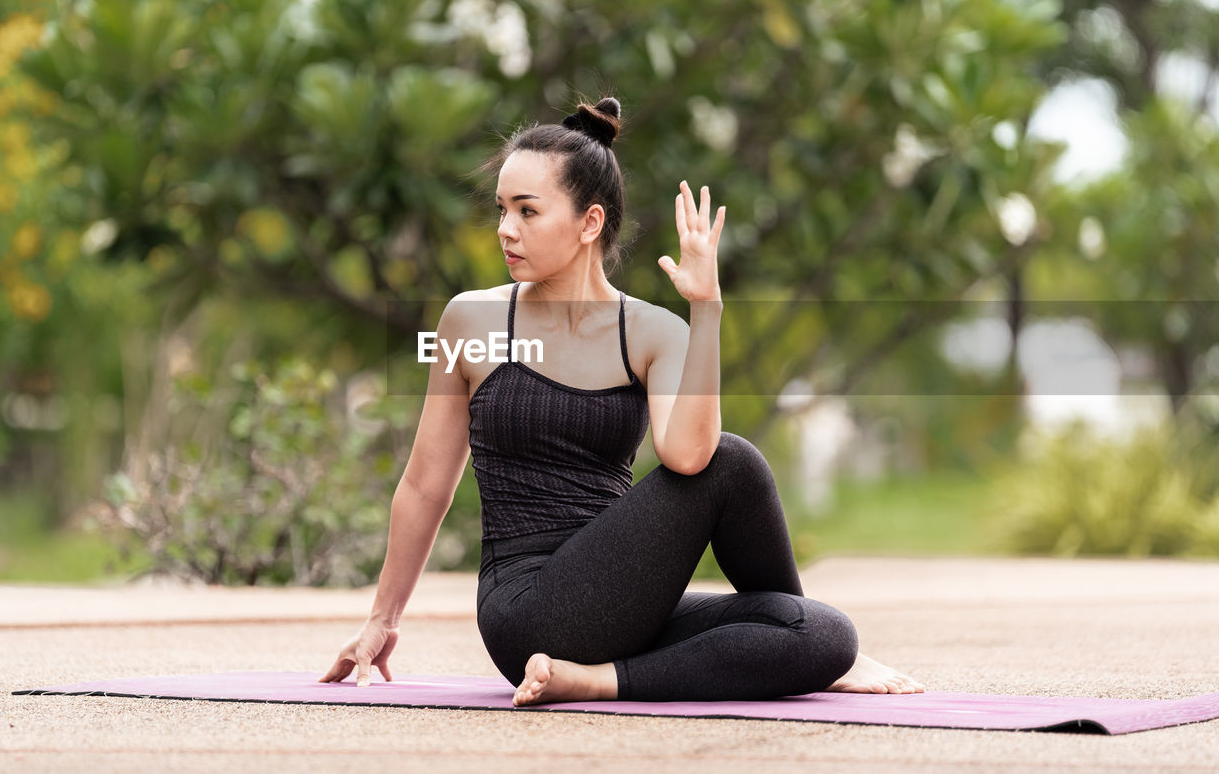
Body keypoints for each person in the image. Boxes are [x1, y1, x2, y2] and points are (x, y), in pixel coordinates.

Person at [320, 97, 924, 704]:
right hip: (526, 610)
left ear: (589, 223)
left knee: (822, 634)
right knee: (736, 461)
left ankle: (598, 680)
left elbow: (689, 456)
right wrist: (383, 619)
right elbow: (426, 483)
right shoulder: (467, 321)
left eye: (527, 211)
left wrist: (706, 312)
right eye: (503, 210)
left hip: (625, 598)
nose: (506, 229)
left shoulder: (654, 332)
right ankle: (601, 667)